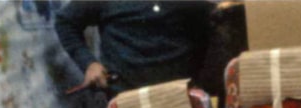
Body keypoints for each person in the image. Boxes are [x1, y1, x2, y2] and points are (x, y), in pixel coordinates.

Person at [54, 1, 214, 97]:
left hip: (183, 97)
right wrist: (89, 64)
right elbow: (66, 22)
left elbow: (210, 27)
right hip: (127, 99)